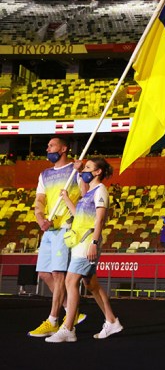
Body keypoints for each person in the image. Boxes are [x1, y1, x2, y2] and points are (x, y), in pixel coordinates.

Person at [46, 158, 123, 342]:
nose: (84, 171)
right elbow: (79, 215)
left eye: (88, 168)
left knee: (70, 281)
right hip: (79, 242)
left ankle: (68, 328)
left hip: (88, 242)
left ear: (98, 172)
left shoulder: (101, 191)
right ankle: (112, 321)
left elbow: (99, 220)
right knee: (91, 285)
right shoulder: (89, 193)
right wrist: (66, 198)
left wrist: (94, 243)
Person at [28, 137, 87, 338]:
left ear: (63, 149)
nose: (48, 149)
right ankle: (72, 311)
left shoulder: (75, 169)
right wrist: (40, 218)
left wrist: (81, 173)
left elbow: (86, 195)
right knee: (44, 273)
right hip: (49, 229)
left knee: (58, 274)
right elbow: (39, 200)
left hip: (65, 227)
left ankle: (53, 320)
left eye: (51, 145)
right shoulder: (44, 174)